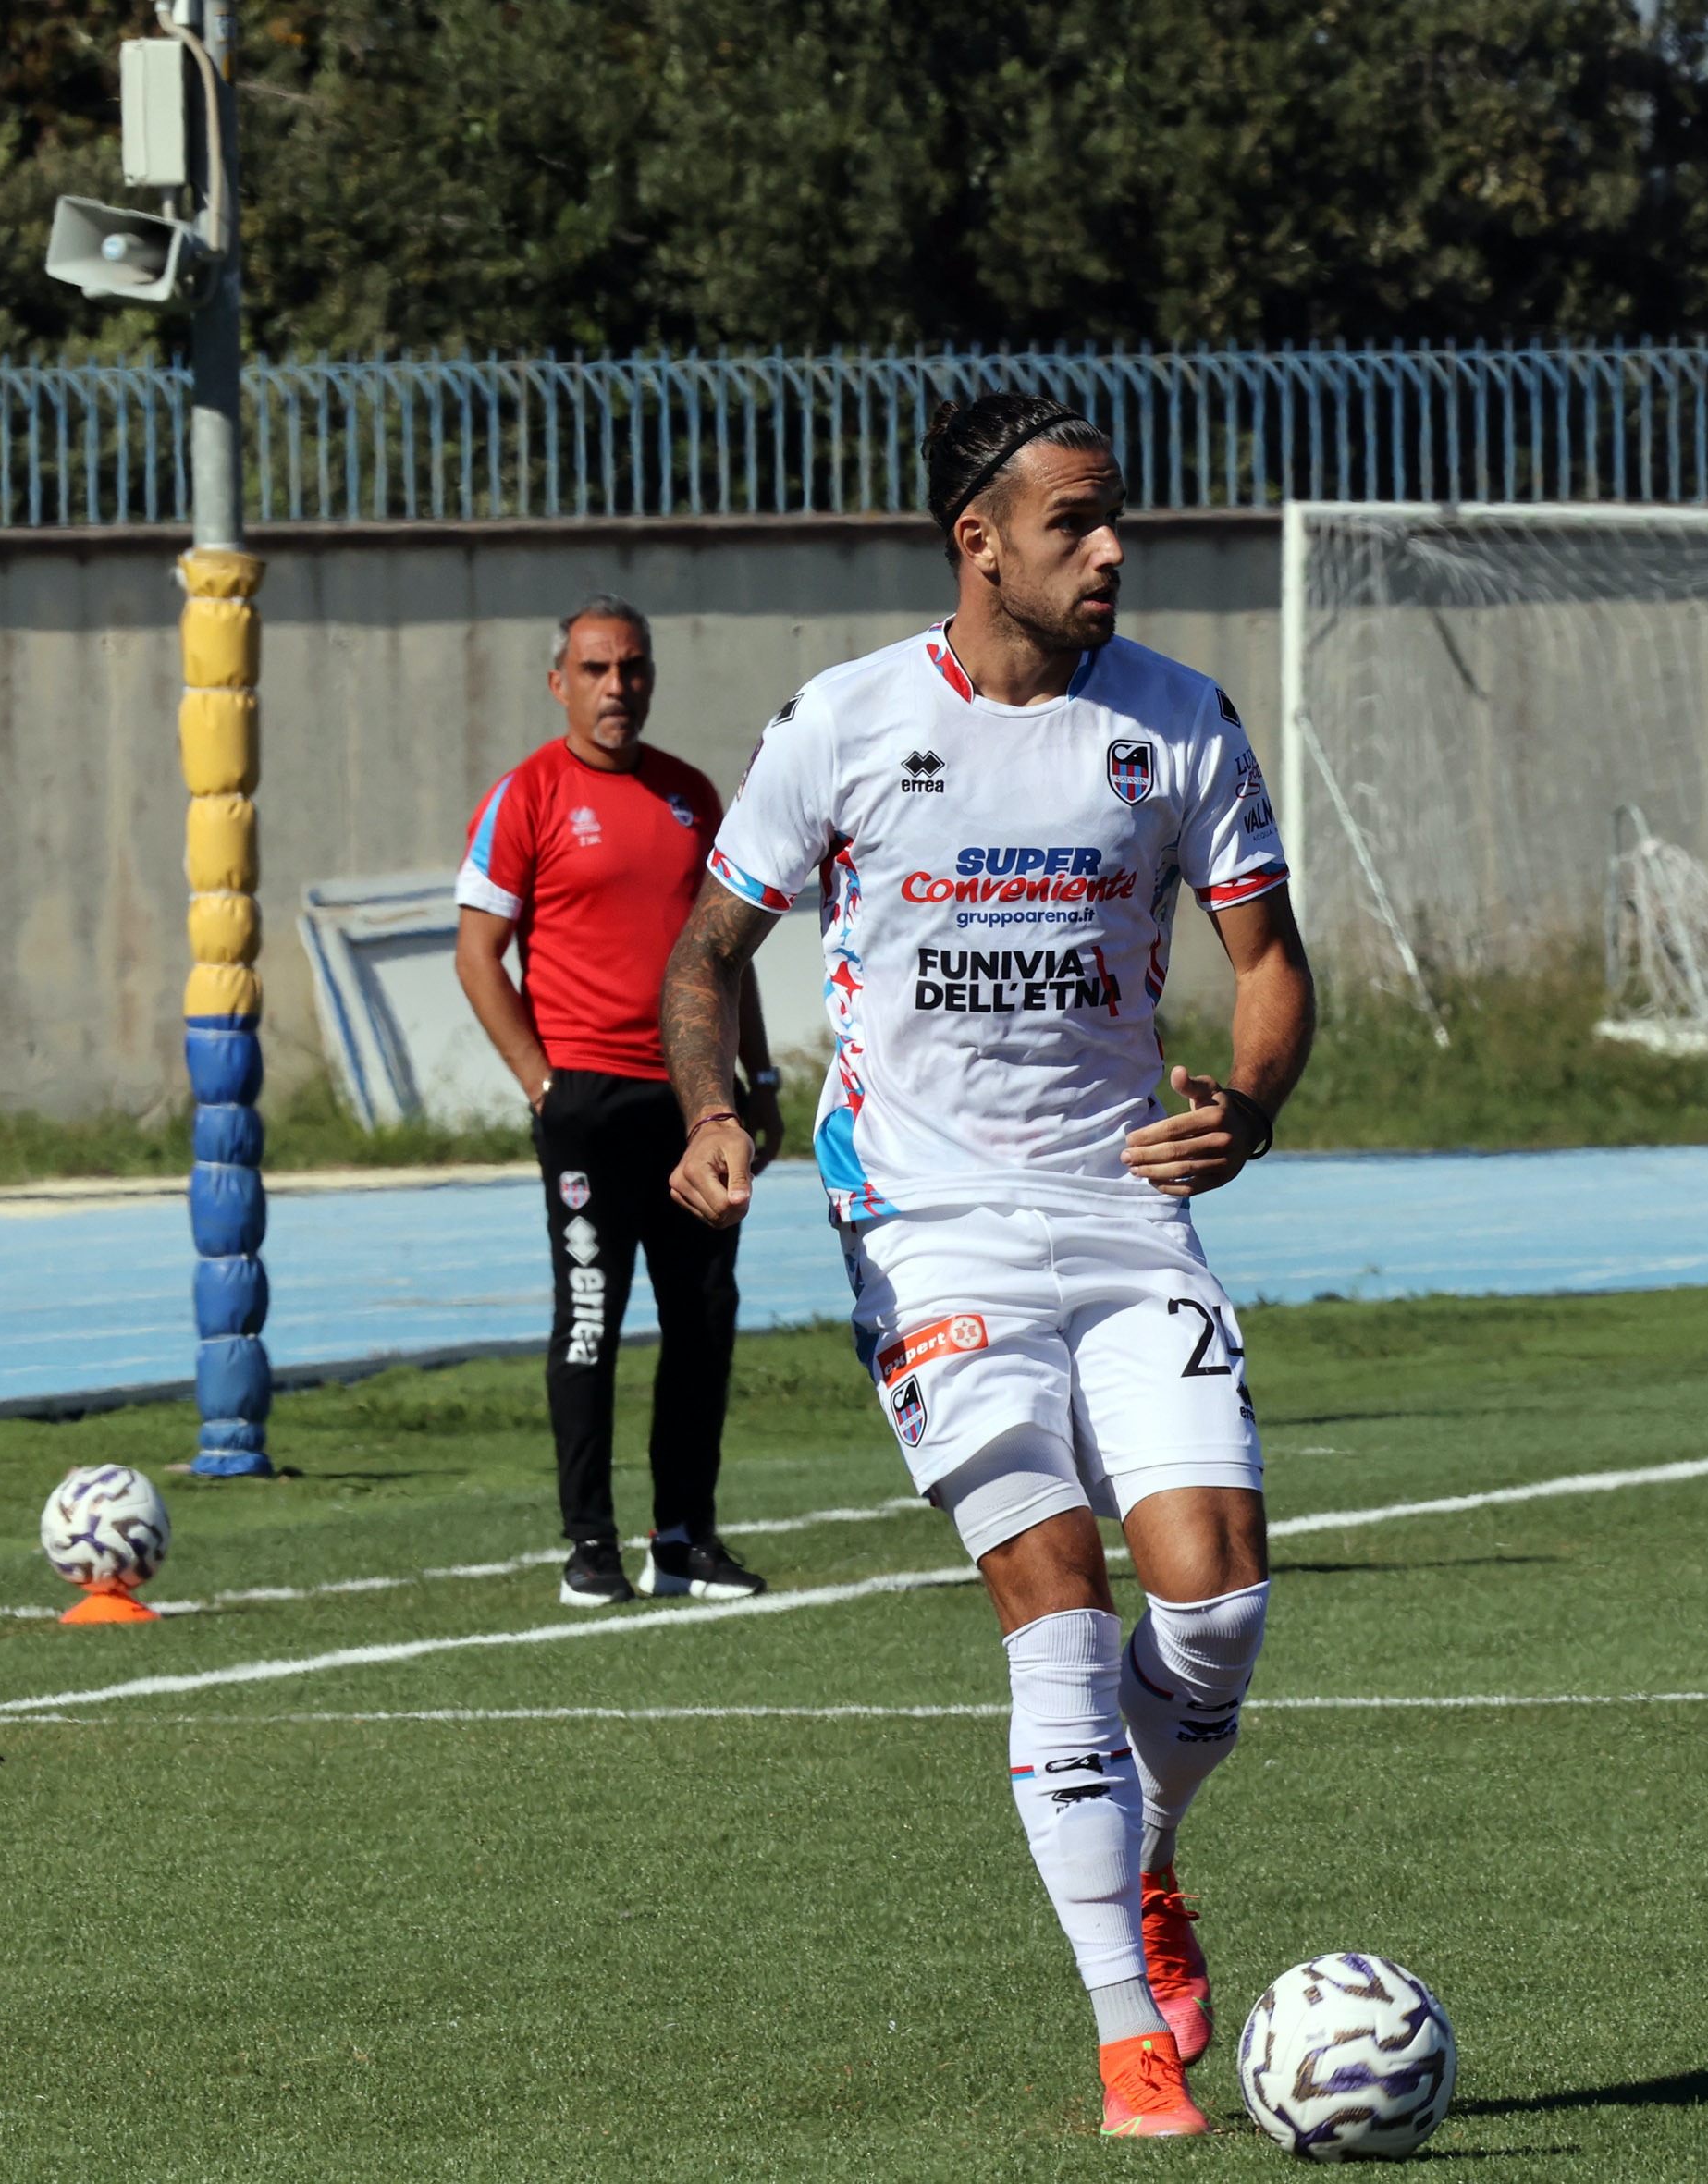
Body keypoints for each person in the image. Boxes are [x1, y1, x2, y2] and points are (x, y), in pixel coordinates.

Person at [657, 394, 1314, 2137]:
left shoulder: (1175, 720)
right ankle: (1125, 2037)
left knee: (1216, 1602)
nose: (1110, 551)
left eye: (1116, 520)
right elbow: (705, 952)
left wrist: (1244, 1112)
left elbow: (1268, 964)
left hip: (1121, 1204)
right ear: (979, 540)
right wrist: (714, 1110)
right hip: (924, 1220)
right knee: (1058, 1597)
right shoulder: (843, 723)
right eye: (1072, 523)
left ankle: (1141, 1852)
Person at [457, 595, 786, 1604]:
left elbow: (726, 956)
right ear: (559, 682)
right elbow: (477, 954)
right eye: (596, 669)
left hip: (693, 1106)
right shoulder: (527, 795)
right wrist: (540, 1082)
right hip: (587, 1105)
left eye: (632, 667)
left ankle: (683, 1542)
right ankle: (589, 1546)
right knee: (591, 1320)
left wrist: (759, 1078)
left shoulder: (691, 796)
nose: (617, 687)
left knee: (702, 1320)